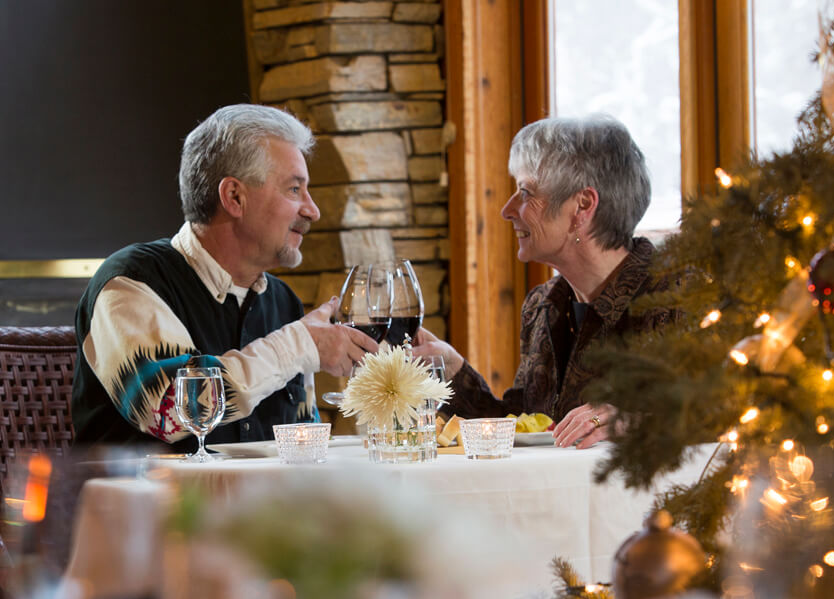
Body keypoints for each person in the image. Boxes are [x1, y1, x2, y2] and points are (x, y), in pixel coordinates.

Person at [71, 104, 376, 450]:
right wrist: (300, 345)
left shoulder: (283, 302)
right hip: (149, 504)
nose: (312, 210)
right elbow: (173, 411)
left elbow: (303, 448)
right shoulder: (132, 284)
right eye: (294, 189)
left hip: (257, 506)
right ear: (234, 197)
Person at [414, 114, 672, 449]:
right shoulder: (542, 305)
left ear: (582, 205)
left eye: (525, 192)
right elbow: (523, 426)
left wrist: (629, 419)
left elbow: (724, 415)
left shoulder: (676, 295)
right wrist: (452, 370)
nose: (508, 209)